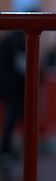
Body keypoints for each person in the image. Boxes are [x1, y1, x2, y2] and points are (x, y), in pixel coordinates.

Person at [0, 31, 26, 167]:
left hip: (6, 85)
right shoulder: (18, 40)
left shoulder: (9, 39)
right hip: (13, 86)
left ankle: (7, 149)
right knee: (12, 116)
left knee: (12, 116)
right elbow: (20, 64)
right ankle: (6, 149)